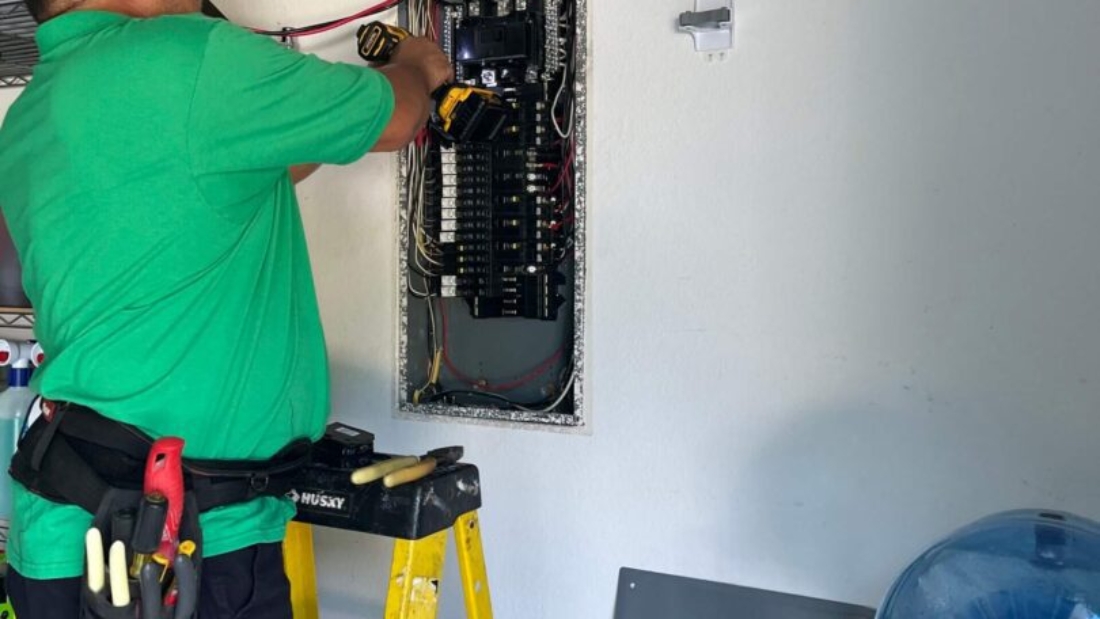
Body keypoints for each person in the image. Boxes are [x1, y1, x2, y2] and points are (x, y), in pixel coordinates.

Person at [0, 0, 451, 616]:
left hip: (63, 528)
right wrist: (419, 64)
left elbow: (240, 175)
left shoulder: (37, 108)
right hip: (176, 551)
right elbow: (397, 117)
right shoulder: (188, 58)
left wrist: (307, 115)